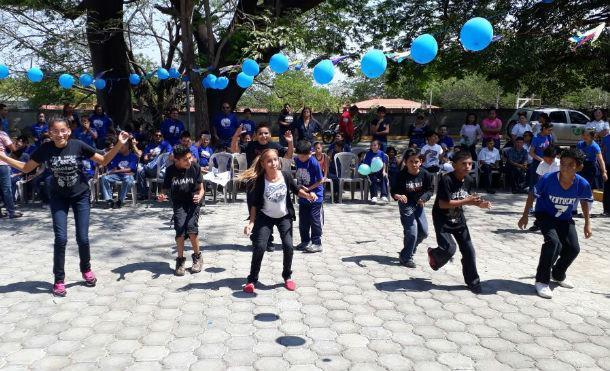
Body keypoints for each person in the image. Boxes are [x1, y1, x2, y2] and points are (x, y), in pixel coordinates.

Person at [0, 117, 130, 296]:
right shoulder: (45, 148)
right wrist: (2, 157)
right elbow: (25, 168)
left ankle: (86, 269)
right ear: (49, 133)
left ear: (68, 131)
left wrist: (119, 143)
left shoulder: (78, 145)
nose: (59, 134)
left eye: (63, 130)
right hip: (58, 197)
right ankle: (59, 280)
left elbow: (104, 160)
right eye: (55, 131)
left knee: (82, 238)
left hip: (80, 196)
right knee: (61, 239)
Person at [518, 148, 593, 299]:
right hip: (545, 214)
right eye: (563, 164)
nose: (565, 167)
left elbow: (585, 202)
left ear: (579, 167)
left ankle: (558, 274)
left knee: (573, 248)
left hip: (564, 218)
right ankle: (541, 280)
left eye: (570, 164)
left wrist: (587, 223)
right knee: (553, 243)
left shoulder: (582, 184)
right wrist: (525, 215)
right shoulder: (547, 179)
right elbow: (532, 194)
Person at [239, 149, 316, 294]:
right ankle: (251, 280)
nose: (273, 163)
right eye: (269, 161)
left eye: (275, 159)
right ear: (263, 164)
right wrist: (251, 223)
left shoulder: (285, 175)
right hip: (265, 217)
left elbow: (296, 190)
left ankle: (287, 276)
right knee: (260, 247)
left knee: (288, 246)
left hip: (284, 217)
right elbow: (255, 204)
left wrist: (308, 195)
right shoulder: (260, 180)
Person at [427, 150, 492, 293]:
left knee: (469, 251)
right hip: (442, 219)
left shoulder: (469, 180)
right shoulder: (446, 179)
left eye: (470, 163)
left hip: (459, 220)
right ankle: (434, 254)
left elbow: (468, 199)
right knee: (449, 248)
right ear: (454, 165)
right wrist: (467, 201)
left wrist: (479, 204)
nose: (467, 166)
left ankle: (473, 281)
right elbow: (443, 204)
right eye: (463, 164)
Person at [157, 145, 204, 276]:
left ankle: (197, 257)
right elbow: (164, 189)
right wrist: (161, 196)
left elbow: (201, 188)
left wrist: (199, 196)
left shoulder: (195, 167)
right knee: (180, 230)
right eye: (185, 160)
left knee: (192, 229)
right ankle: (180, 260)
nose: (189, 161)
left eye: (190, 158)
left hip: (193, 203)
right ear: (176, 160)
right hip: (178, 204)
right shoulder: (170, 170)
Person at [391, 148, 434, 268]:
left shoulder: (425, 174)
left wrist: (424, 198)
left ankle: (408, 249)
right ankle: (406, 258)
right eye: (411, 161)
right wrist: (398, 195)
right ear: (405, 162)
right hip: (406, 205)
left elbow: (430, 190)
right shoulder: (401, 175)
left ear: (421, 161)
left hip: (418, 204)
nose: (414, 164)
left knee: (424, 232)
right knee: (412, 231)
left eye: (416, 161)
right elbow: (393, 190)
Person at [294, 140, 325, 253]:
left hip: (315, 196)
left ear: (310, 153)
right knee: (303, 220)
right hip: (303, 196)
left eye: (304, 156)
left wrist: (310, 189)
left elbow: (321, 180)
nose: (301, 158)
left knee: (314, 219)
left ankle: (317, 243)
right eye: (299, 156)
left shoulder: (313, 163)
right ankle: (305, 241)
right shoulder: (296, 160)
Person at [100, 139, 138, 208]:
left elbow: (130, 169)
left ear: (127, 146)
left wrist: (115, 171)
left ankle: (120, 200)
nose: (119, 148)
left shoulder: (133, 156)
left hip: (128, 175)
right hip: (117, 175)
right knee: (104, 178)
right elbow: (114, 167)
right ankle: (109, 200)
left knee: (128, 179)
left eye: (121, 147)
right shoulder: (117, 155)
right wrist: (110, 172)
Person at [576, 129, 607, 212]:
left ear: (592, 137)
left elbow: (600, 160)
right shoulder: (580, 144)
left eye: (587, 135)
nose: (585, 137)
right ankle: (573, 209)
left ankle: (587, 211)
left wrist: (604, 172)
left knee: (589, 189)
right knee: (577, 187)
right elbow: (575, 156)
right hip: (581, 167)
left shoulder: (595, 146)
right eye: (584, 135)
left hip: (591, 168)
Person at [137, 131, 172, 196]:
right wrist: (150, 154)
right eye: (156, 135)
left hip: (162, 169)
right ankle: (143, 194)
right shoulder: (149, 146)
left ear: (162, 137)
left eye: (160, 135)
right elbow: (145, 158)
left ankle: (161, 193)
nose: (158, 137)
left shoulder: (167, 145)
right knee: (139, 170)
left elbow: (169, 156)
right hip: (150, 168)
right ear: (153, 136)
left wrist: (160, 157)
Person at [0, 127, 22, 218]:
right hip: (1, 164)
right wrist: (15, 143)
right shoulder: (2, 134)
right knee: (6, 189)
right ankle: (11, 212)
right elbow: (13, 148)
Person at [327, 132, 350, 202]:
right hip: (332, 171)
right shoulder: (332, 148)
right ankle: (336, 194)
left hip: (342, 171)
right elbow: (328, 159)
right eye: (336, 136)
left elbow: (350, 157)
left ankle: (336, 195)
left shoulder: (346, 146)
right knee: (336, 178)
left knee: (338, 178)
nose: (336, 138)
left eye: (338, 136)